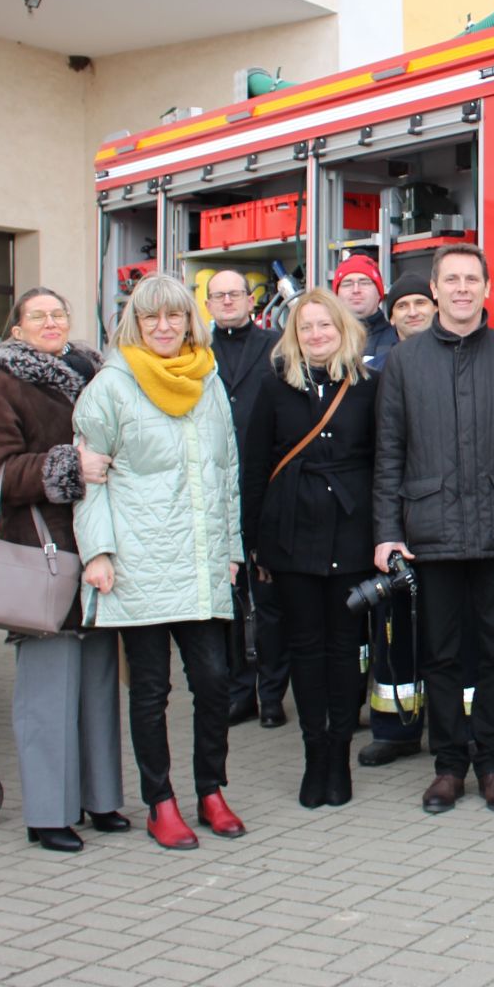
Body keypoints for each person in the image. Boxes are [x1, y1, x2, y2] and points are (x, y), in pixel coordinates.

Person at [372, 243, 494, 815]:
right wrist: (386, 531)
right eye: (450, 280)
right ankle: (449, 768)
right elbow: (390, 453)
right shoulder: (404, 362)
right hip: (430, 533)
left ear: (487, 288)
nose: (461, 289)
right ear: (434, 290)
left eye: (471, 279)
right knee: (442, 655)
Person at [73, 273, 246, 850]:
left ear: (189, 321)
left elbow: (227, 476)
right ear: (136, 325)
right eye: (152, 319)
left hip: (199, 562)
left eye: (174, 316)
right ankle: (160, 802)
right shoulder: (111, 387)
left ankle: (211, 790)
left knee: (215, 683)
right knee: (150, 691)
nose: (165, 327)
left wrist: (230, 552)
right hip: (138, 564)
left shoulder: (209, 380)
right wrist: (96, 553)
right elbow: (89, 483)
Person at [0, 288, 127, 853]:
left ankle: (101, 798)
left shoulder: (90, 372)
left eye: (59, 313)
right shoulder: (2, 382)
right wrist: (69, 466)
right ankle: (47, 812)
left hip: (96, 549)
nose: (51, 322)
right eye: (38, 316)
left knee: (99, 682)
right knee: (47, 690)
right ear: (16, 330)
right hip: (43, 550)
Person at [241, 289, 378, 809]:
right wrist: (254, 541)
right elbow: (254, 467)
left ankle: (339, 755)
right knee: (304, 649)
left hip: (351, 532)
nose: (316, 335)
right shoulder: (273, 387)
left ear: (343, 330)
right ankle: (313, 753)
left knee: (344, 651)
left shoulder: (368, 387)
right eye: (306, 328)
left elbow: (384, 461)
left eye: (325, 325)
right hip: (290, 535)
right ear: (293, 337)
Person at [357, 270, 444, 767]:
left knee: (448, 628)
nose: (411, 312)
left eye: (418, 303)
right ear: (390, 317)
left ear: (434, 306)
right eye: (401, 306)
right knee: (393, 628)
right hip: (396, 515)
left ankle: (456, 726)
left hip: (442, 517)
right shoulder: (374, 371)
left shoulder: (453, 358)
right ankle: (395, 729)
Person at [205, 269, 288, 730]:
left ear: (249, 301)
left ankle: (272, 694)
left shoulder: (275, 346)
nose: (227, 302)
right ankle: (240, 691)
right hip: (217, 492)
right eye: (218, 296)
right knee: (228, 603)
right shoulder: (195, 353)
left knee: (271, 603)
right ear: (209, 305)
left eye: (234, 294)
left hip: (265, 489)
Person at [334, 253, 397, 366]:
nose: (356, 290)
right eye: (347, 284)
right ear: (336, 294)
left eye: (364, 282)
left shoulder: (399, 339)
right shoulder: (324, 341)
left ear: (379, 293)